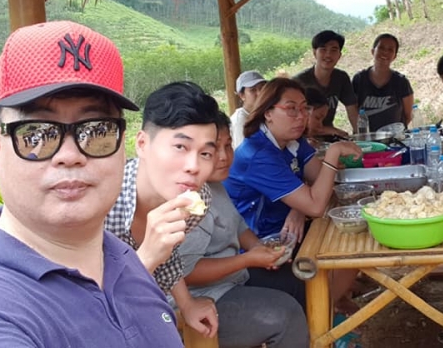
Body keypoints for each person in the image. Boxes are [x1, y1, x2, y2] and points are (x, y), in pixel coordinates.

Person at [0, 21, 184, 347]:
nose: (70, 155)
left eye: (96, 130)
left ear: (123, 145)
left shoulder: (122, 259)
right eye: (36, 133)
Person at [224, 78, 363, 310]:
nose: (301, 116)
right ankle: (318, 319)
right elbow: (317, 205)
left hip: (285, 236)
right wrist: (333, 152)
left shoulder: (292, 142)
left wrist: (298, 208)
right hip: (254, 248)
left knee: (350, 243)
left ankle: (328, 310)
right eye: (291, 109)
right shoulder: (258, 154)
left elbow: (320, 183)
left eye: (304, 108)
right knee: (326, 271)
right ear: (268, 113)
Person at [177, 111, 309, 348]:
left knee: (297, 281)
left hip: (231, 279)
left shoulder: (215, 186)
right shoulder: (188, 199)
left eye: (228, 145)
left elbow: (238, 227)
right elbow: (187, 273)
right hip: (200, 297)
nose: (224, 156)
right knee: (286, 315)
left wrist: (262, 249)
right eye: (211, 149)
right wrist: (248, 259)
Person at [105, 81, 220, 338]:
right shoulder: (101, 203)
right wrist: (147, 256)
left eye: (205, 153)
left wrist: (187, 304)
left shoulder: (197, 200)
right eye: (180, 147)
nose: (193, 166)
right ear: (142, 144)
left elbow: (168, 254)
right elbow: (85, 304)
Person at [294, 30, 359, 134]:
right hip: (303, 135)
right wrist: (328, 130)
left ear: (339, 55)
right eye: (323, 49)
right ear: (314, 53)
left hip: (328, 136)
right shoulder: (299, 81)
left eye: (334, 50)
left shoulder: (341, 78)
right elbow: (292, 119)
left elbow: (352, 109)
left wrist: (360, 136)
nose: (328, 55)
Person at [351, 33, 414, 131]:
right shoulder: (359, 79)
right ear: (373, 51)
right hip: (366, 138)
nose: (385, 52)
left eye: (390, 50)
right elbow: (352, 111)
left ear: (394, 56)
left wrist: (393, 134)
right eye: (381, 48)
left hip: (395, 139)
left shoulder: (401, 82)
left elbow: (408, 116)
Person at [231, 70, 267, 149]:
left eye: (262, 88)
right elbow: (243, 152)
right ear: (242, 95)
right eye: (253, 90)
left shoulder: (266, 113)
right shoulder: (239, 120)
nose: (259, 93)